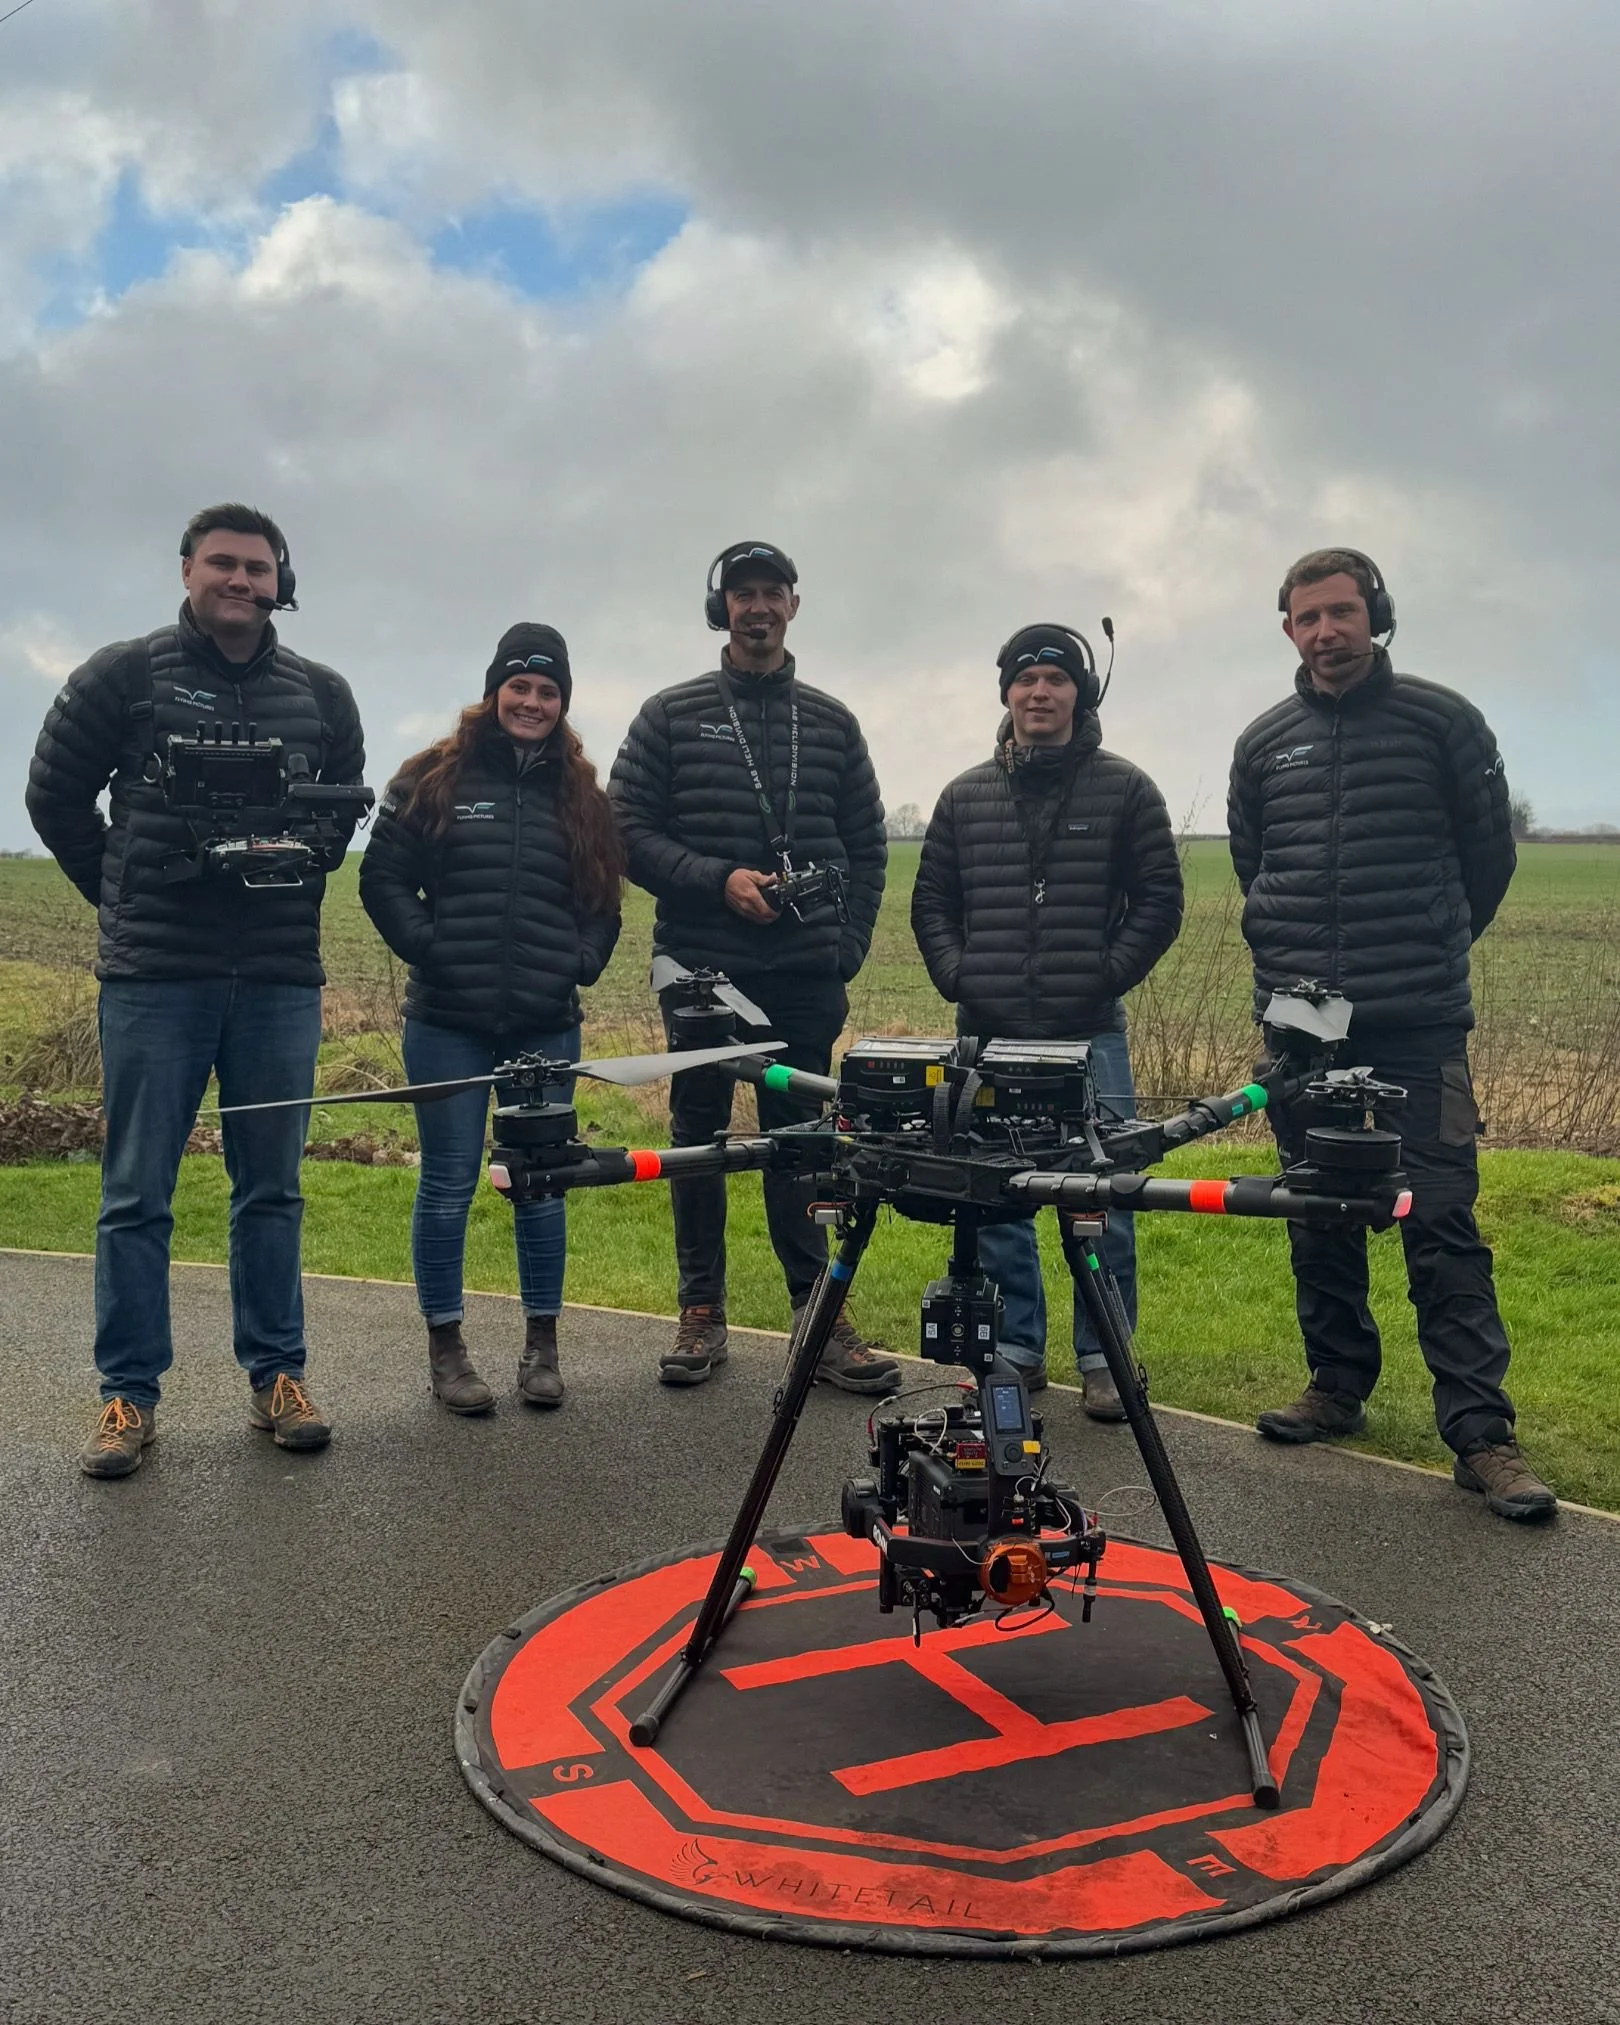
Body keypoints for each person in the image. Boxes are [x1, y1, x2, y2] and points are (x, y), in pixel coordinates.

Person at [25, 503, 366, 1477]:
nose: (242, 582)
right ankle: (127, 1397)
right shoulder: (124, 675)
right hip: (157, 977)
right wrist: (126, 889)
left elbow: (340, 809)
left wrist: (282, 871)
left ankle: (277, 1377)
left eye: (259, 569)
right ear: (186, 571)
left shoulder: (323, 694)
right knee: (136, 1191)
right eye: (224, 563)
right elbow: (53, 794)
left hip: (276, 978)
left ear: (279, 583)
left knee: (272, 1189)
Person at [1229, 546, 1556, 1521]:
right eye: (1306, 617)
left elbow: (1486, 864)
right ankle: (1336, 1388)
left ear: (1376, 615)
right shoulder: (1263, 743)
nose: (1326, 631)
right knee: (1317, 1213)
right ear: (1287, 630)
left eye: (1341, 612)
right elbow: (1256, 865)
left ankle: (1482, 1435)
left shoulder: (1444, 723)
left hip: (1419, 1021)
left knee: (1442, 1220)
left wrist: (1422, 949)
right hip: (1297, 1021)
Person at [609, 540, 898, 1392]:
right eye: (743, 594)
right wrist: (715, 880)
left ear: (794, 606)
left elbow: (870, 848)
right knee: (696, 1136)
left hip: (806, 972)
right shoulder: (669, 715)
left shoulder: (834, 722)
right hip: (702, 967)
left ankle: (819, 1313)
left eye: (773, 592)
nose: (758, 607)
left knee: (804, 1143)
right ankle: (700, 1312)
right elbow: (626, 832)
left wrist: (842, 952)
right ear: (722, 608)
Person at [911, 624, 1183, 1414]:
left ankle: (1103, 1353)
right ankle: (1016, 1348)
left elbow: (1160, 903)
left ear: (1079, 694)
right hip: (987, 1031)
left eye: (1056, 679)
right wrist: (961, 975)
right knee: (996, 1196)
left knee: (1103, 1196)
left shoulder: (1126, 789)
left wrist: (1099, 974)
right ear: (1006, 693)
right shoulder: (964, 795)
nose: (1039, 691)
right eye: (1025, 678)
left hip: (1090, 1032)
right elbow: (931, 902)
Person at [360, 626, 622, 1412]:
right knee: (446, 1185)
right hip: (447, 1020)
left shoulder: (583, 795)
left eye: (548, 691)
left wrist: (580, 962)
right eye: (520, 686)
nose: (532, 702)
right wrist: (430, 947)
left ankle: (541, 1348)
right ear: (494, 691)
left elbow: (605, 899)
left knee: (539, 1187)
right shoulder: (431, 778)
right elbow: (381, 878)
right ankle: (448, 1350)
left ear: (562, 703)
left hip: (544, 1024)